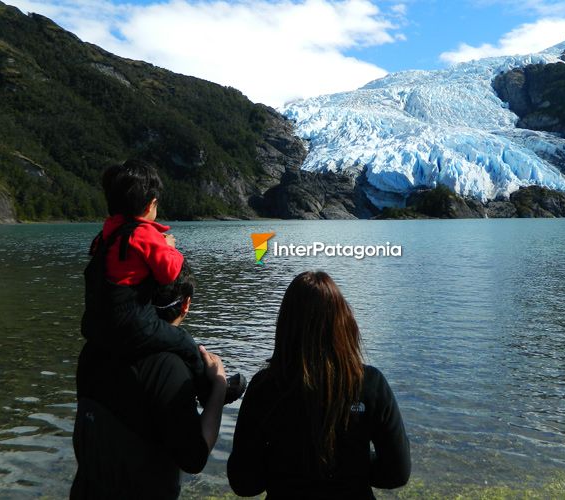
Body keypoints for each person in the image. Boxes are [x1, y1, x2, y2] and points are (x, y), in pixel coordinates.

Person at [227, 271, 411, 499]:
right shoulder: (370, 384)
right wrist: (357, 469)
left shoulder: (264, 388)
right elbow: (397, 473)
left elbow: (245, 483)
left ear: (285, 325)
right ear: (343, 323)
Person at [81, 158, 243, 405]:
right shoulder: (143, 234)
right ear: (151, 204)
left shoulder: (106, 233)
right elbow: (169, 273)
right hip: (130, 323)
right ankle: (210, 393)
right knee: (185, 343)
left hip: (95, 322)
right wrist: (171, 248)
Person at [71, 265, 228, 499]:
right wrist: (219, 386)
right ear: (186, 304)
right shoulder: (168, 367)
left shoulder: (94, 349)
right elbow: (193, 459)